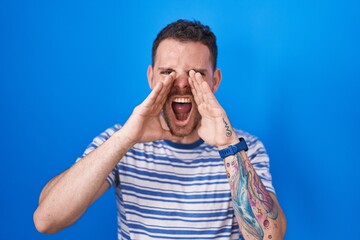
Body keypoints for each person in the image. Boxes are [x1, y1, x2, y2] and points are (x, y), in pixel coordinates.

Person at [34, 19, 286, 240]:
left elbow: (270, 237)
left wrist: (229, 146)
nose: (182, 84)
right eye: (168, 72)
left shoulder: (245, 147)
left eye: (196, 73)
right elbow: (46, 220)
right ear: (151, 77)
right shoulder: (119, 141)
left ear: (215, 80)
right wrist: (125, 139)